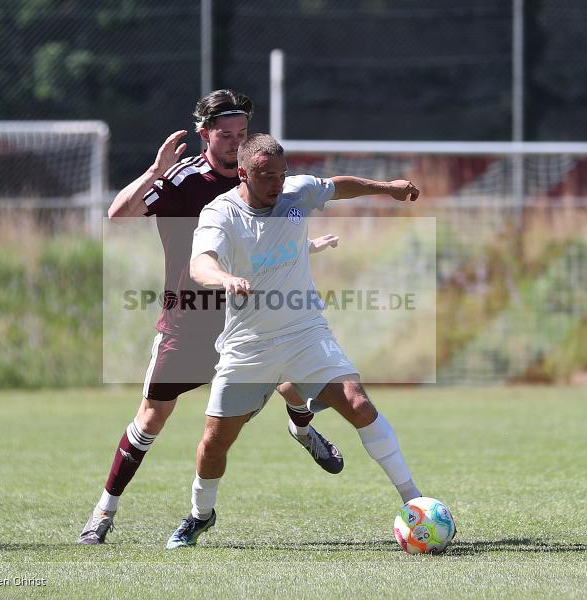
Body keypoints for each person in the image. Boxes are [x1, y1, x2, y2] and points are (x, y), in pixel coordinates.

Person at [78, 91, 343, 544]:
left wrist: (306, 248)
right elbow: (118, 215)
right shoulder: (182, 179)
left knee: (295, 382)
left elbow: (268, 240)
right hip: (189, 319)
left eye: (242, 133)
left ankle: (302, 431)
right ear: (205, 134)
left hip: (249, 318)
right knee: (151, 417)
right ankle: (103, 512)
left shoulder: (257, 177)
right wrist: (156, 171)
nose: (236, 141)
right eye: (226, 134)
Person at [165, 133, 424, 549]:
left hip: (305, 331)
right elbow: (200, 264)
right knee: (215, 442)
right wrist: (225, 278)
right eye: (266, 176)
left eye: (281, 174)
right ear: (242, 173)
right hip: (248, 343)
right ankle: (200, 516)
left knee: (358, 404)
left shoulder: (295, 192)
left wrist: (387, 188)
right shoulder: (221, 213)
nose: (277, 183)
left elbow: (337, 186)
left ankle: (415, 502)